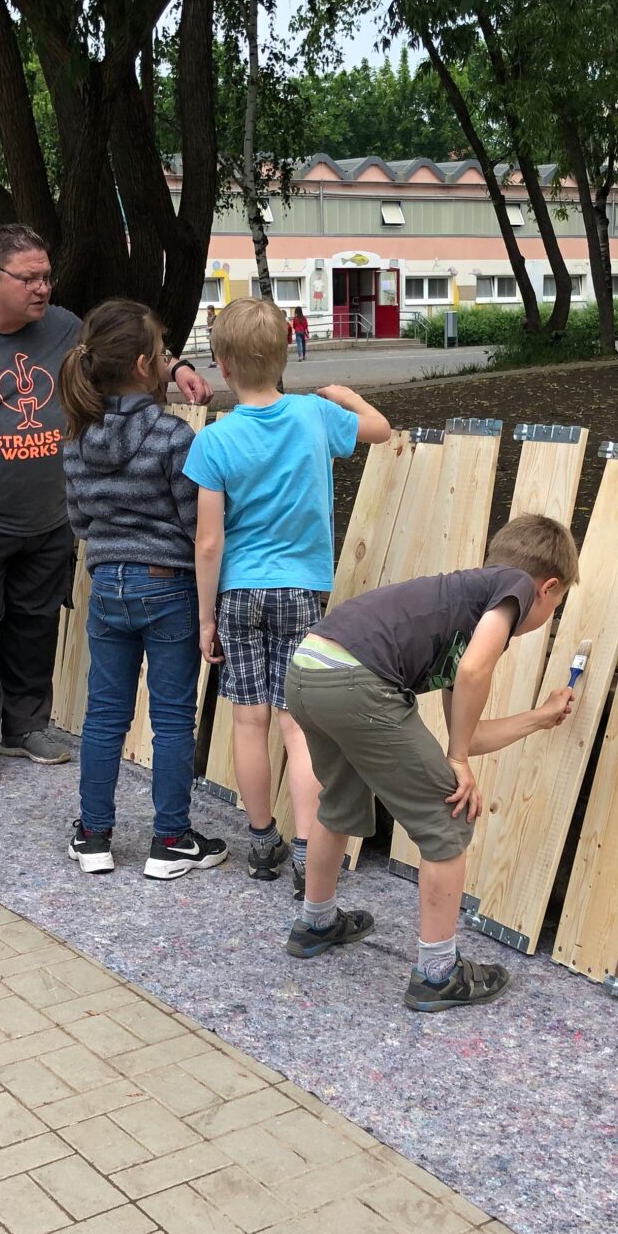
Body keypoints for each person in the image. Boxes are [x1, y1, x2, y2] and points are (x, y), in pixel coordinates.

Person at [0, 223, 212, 788]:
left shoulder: (64, 327)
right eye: (30, 278)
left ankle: (25, 725)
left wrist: (177, 367)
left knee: (36, 622)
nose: (43, 288)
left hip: (50, 516)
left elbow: (122, 357)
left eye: (47, 276)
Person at [283, 514, 580, 1012]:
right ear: (547, 589)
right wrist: (458, 760)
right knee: (448, 821)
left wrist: (539, 718)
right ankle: (438, 974)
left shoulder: (455, 609)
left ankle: (316, 922)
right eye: (556, 605)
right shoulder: (513, 588)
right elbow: (474, 673)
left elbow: (468, 730)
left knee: (339, 801)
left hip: (309, 670)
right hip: (358, 681)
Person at [189, 299, 390, 889]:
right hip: (301, 590)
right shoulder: (312, 417)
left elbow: (207, 543)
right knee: (297, 725)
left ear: (222, 366)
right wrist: (346, 397)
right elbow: (380, 429)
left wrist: (207, 621)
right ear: (284, 358)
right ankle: (308, 851)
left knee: (248, 721)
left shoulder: (215, 441)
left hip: (238, 593)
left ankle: (261, 843)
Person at [57, 299, 228, 880]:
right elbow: (192, 521)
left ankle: (93, 836)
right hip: (169, 587)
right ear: (142, 364)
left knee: (104, 714)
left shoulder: (75, 438)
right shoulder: (174, 436)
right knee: (173, 717)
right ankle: (171, 840)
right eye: (161, 353)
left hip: (107, 584)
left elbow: (80, 520)